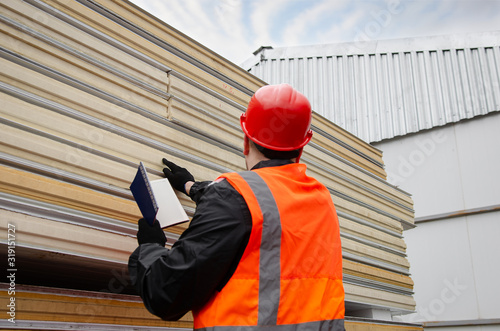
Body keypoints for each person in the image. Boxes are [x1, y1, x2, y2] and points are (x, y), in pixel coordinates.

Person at [128, 84, 345, 330]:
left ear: (245, 139)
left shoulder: (232, 197)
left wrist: (150, 246)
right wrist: (190, 185)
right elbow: (261, 207)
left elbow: (165, 294)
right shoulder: (321, 200)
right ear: (303, 145)